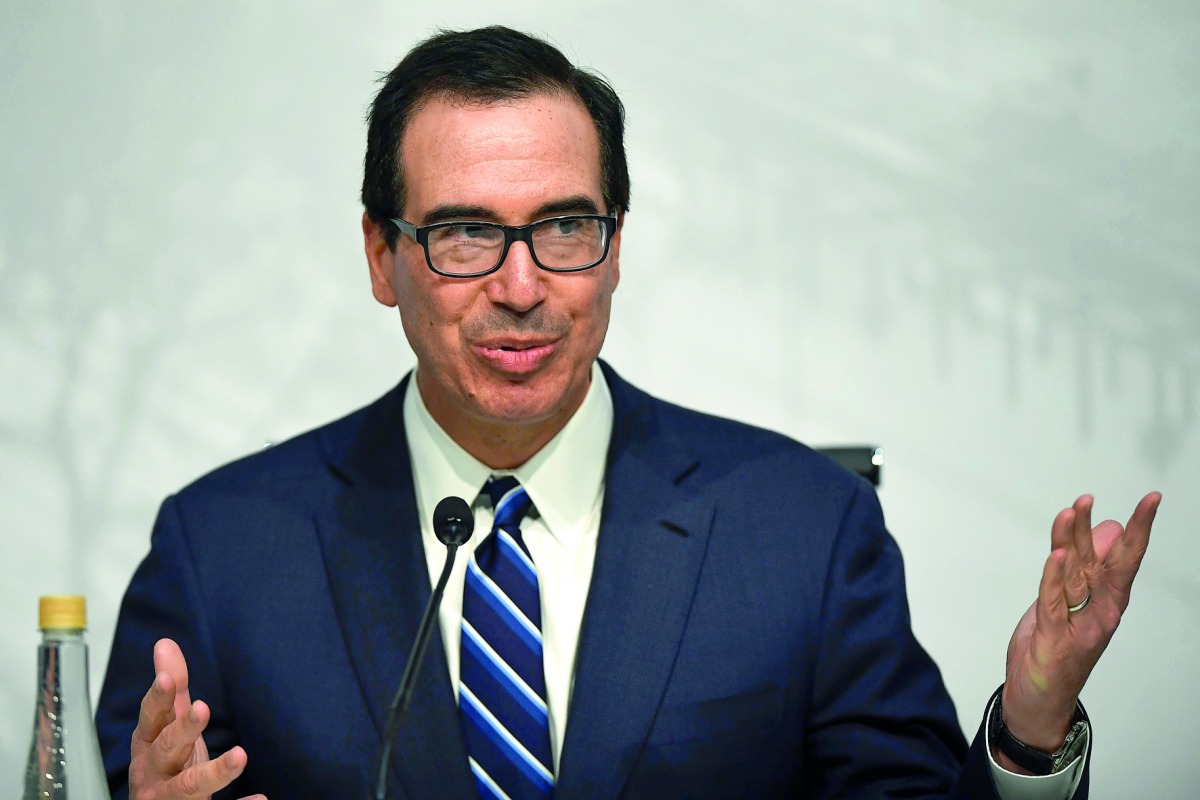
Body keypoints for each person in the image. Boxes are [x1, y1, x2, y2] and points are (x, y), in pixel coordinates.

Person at [95, 26, 1160, 800]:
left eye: (565, 227)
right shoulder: (222, 549)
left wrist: (1029, 732)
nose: (521, 286)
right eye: (466, 233)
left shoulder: (803, 528)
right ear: (383, 255)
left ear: (615, 248)